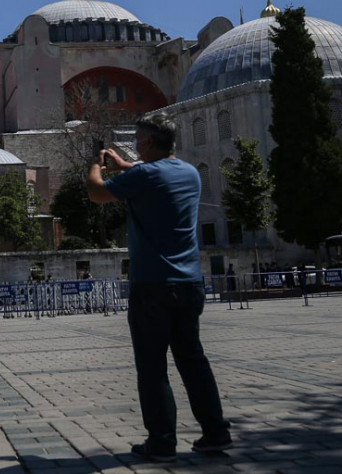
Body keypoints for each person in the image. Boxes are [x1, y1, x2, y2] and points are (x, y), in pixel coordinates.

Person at [86, 111, 231, 463]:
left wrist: (96, 165)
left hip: (152, 285)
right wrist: (125, 166)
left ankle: (163, 441)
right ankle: (215, 433)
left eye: (137, 139)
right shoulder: (189, 173)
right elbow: (150, 175)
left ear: (149, 141)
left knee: (152, 367)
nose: (135, 144)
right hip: (189, 283)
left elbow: (97, 194)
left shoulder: (145, 176)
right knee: (193, 360)